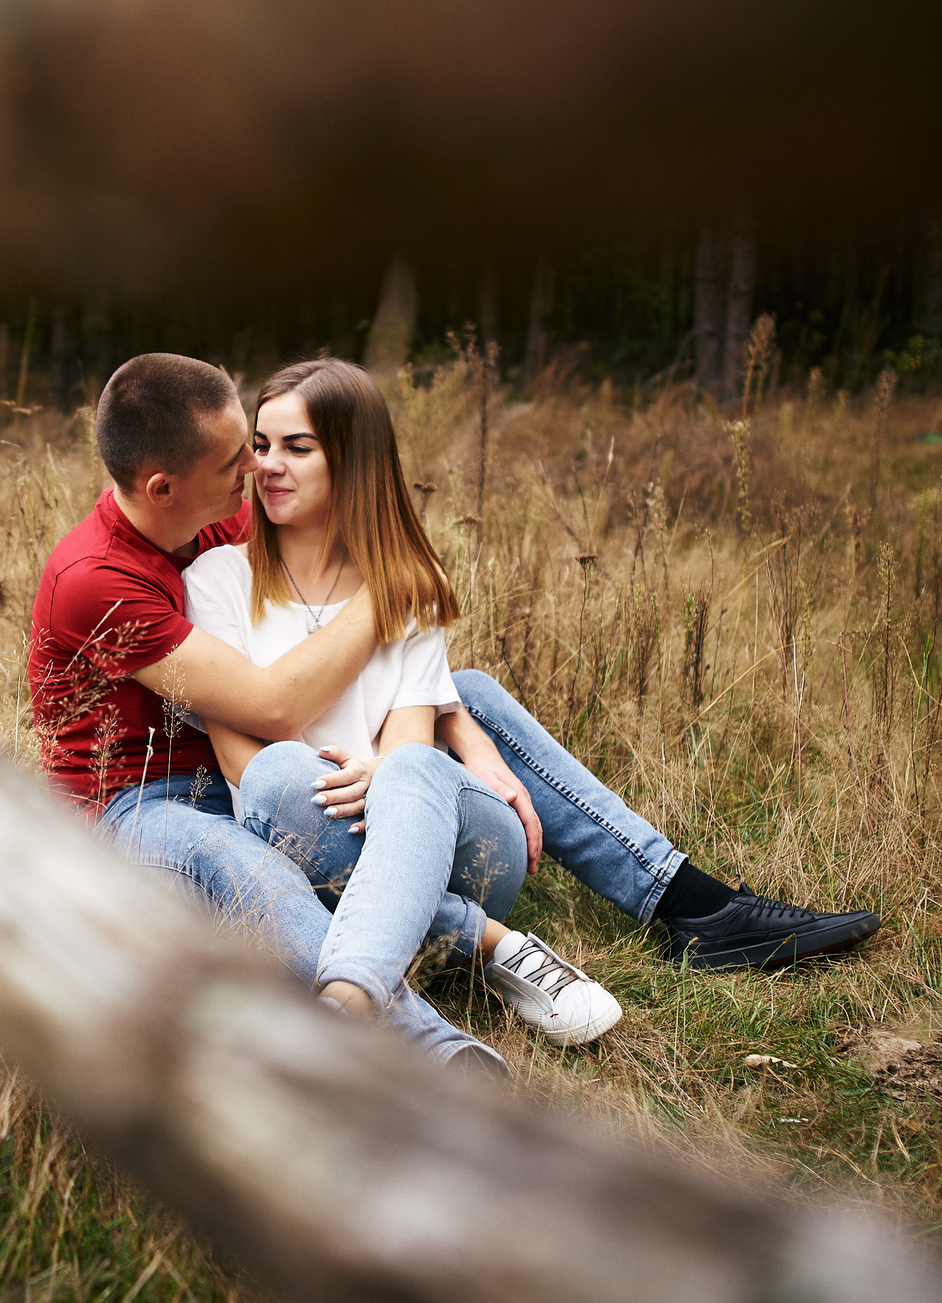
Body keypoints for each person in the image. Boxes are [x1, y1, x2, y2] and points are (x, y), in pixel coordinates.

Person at [26, 354, 877, 1070]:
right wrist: (398, 592)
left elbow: (351, 576)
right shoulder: (101, 577)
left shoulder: (208, 521)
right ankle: (450, 1005)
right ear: (164, 486)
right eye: (237, 461)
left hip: (287, 777)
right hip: (146, 799)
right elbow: (275, 704)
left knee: (469, 692)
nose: (255, 472)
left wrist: (456, 724)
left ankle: (688, 902)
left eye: (267, 450)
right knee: (254, 854)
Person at [182, 358, 622, 1047]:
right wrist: (364, 778)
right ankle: (474, 955)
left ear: (353, 460)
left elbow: (410, 744)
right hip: (309, 826)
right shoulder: (217, 580)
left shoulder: (408, 585)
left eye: (298, 447)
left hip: (461, 843)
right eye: (261, 445)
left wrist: (385, 774)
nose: (268, 465)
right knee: (270, 777)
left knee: (410, 769)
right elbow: (240, 762)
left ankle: (355, 990)